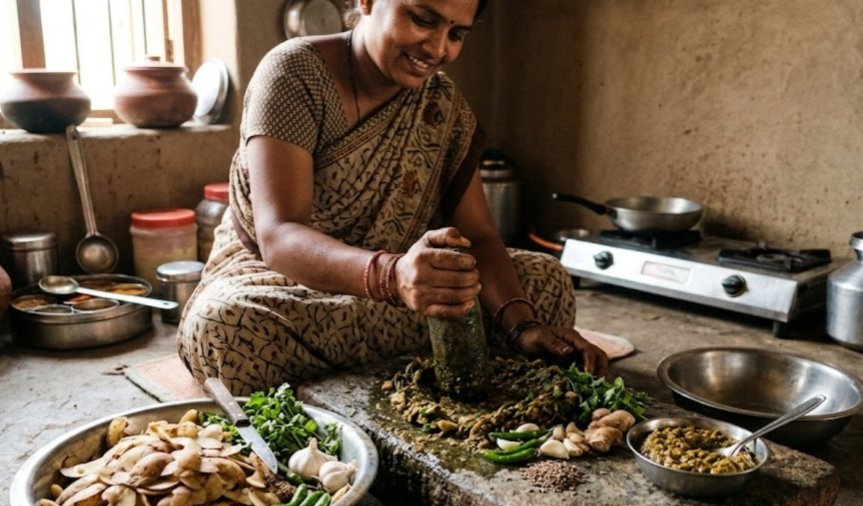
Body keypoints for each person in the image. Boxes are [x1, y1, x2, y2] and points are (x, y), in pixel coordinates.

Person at [178, 0, 609, 395]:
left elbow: (479, 237)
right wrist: (393, 275)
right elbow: (280, 236)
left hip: (404, 286)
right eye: (423, 19)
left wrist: (522, 327)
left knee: (547, 282)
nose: (438, 48)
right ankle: (442, 351)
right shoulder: (294, 74)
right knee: (225, 328)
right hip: (285, 280)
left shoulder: (442, 105)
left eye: (456, 34)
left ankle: (385, 363)